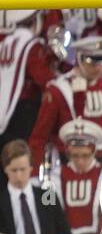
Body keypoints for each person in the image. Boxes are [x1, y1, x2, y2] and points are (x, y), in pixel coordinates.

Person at [27, 35, 102, 165]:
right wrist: (33, 174)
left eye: (101, 62)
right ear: (79, 59)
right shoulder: (59, 89)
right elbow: (40, 136)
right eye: (92, 63)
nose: (98, 68)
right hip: (67, 160)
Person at [0, 10, 59, 149]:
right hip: (25, 108)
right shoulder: (31, 43)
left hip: (5, 104)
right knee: (19, 152)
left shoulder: (6, 42)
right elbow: (41, 75)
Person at [55, 119, 102, 234]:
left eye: (85, 155)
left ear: (94, 152)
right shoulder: (56, 175)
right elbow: (48, 208)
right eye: (75, 156)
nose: (80, 161)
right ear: (68, 153)